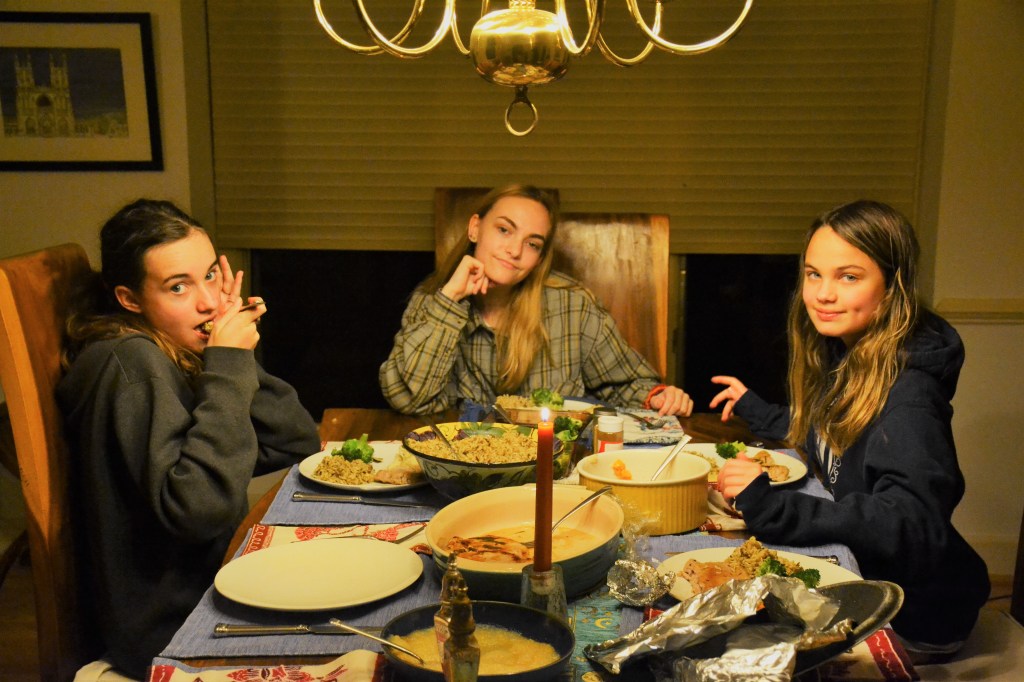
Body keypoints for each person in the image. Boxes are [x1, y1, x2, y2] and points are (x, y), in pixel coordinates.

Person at [709, 200, 989, 659]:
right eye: (814, 274)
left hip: (915, 613)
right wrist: (758, 411)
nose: (823, 293)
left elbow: (913, 524)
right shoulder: (851, 352)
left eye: (849, 277)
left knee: (731, 644)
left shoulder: (910, 396)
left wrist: (775, 508)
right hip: (870, 577)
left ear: (893, 286)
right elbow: (829, 436)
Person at [57, 200, 321, 678]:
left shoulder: (173, 349)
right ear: (130, 299)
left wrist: (234, 359)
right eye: (178, 286)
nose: (208, 302)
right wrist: (228, 366)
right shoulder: (131, 365)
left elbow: (294, 442)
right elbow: (200, 510)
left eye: (211, 275)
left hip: (213, 584)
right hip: (177, 626)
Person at [379, 183, 693, 416]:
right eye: (504, 230)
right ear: (475, 228)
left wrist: (657, 397)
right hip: (464, 467)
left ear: (540, 258)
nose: (514, 250)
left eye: (532, 244)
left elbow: (624, 383)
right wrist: (450, 300)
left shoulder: (573, 306)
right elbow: (409, 399)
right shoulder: (431, 302)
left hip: (552, 470)